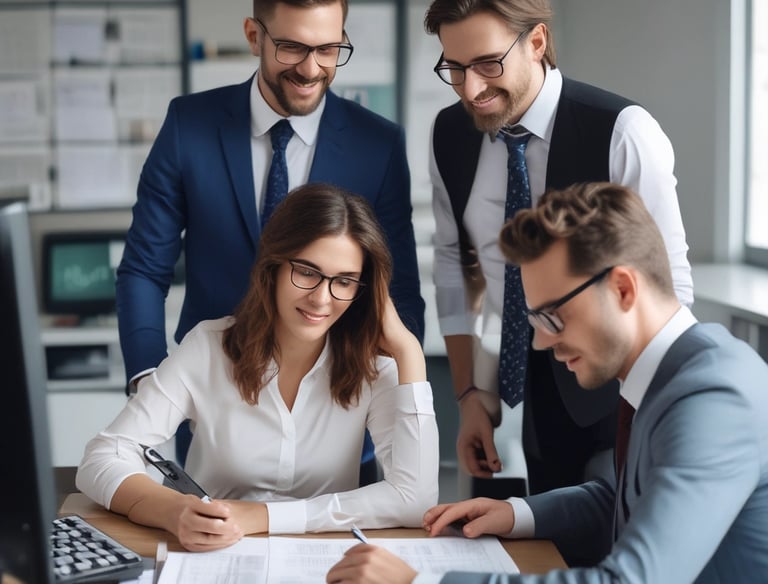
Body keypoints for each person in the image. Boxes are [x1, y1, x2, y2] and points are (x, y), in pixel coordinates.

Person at [326, 182, 768, 583]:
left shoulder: (712, 396)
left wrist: (419, 583)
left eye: (552, 316)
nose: (540, 342)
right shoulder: (678, 372)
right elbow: (624, 497)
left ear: (623, 290)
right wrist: (515, 513)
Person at [115, 0, 425, 479]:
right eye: (292, 47)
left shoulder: (378, 144)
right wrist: (151, 381)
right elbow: (143, 268)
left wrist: (387, 396)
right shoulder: (188, 125)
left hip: (338, 406)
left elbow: (397, 286)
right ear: (254, 36)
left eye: (328, 48)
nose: (311, 68)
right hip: (211, 405)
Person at [77, 184, 439, 551]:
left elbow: (416, 498)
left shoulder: (375, 364)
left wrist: (409, 351)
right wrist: (173, 509)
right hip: (214, 555)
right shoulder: (208, 347)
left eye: (343, 281)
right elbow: (102, 458)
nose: (321, 298)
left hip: (327, 561)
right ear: (273, 267)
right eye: (307, 272)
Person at [424, 0, 693, 494]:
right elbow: (453, 263)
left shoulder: (624, 132)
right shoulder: (449, 133)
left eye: (488, 63)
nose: (471, 88)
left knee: (602, 544)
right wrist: (467, 394)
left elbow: (671, 287)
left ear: (538, 42)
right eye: (454, 68)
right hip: (504, 379)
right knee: (510, 538)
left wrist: (648, 418)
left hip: (612, 391)